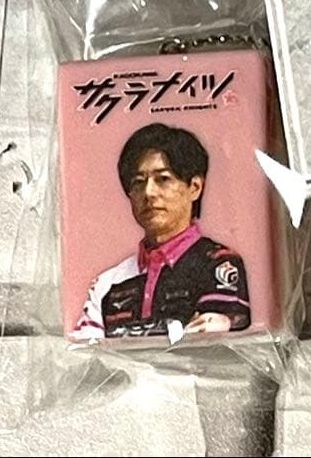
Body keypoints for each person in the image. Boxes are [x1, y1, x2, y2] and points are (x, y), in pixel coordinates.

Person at [73, 123, 250, 339]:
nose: (148, 192)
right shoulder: (107, 283)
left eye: (163, 179)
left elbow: (211, 346)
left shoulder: (218, 263)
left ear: (195, 187)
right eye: (138, 182)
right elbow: (84, 354)